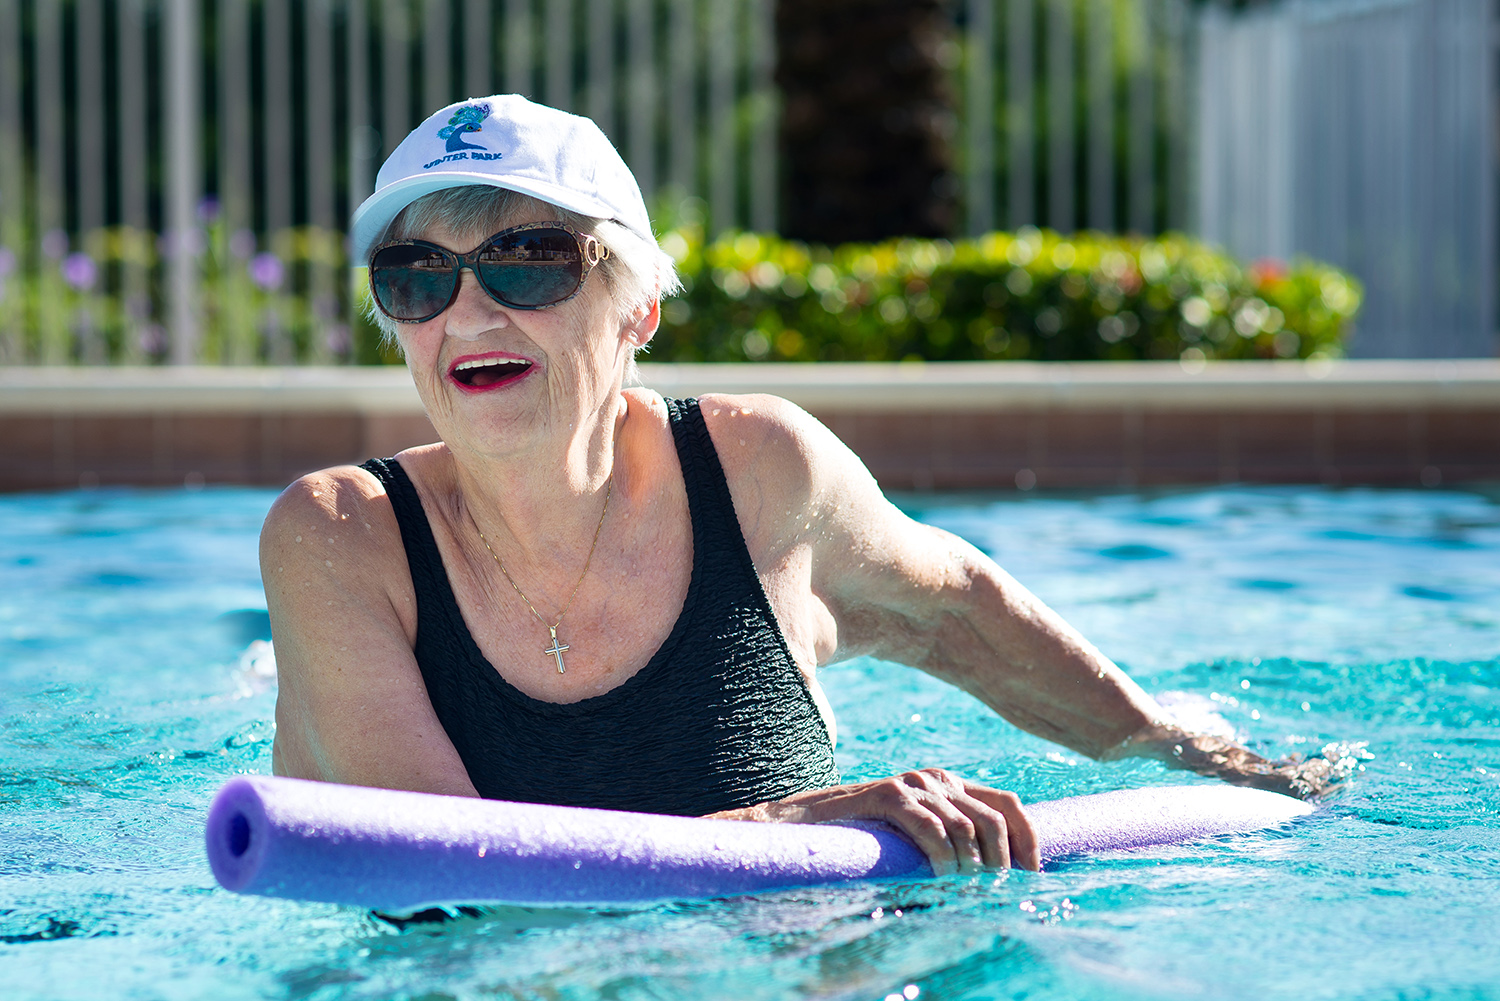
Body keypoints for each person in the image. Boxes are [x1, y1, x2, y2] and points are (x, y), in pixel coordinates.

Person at [264, 95, 1338, 878]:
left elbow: (958, 607)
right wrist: (783, 822)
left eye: (527, 260)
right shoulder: (339, 539)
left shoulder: (759, 474)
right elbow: (454, 876)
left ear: (637, 309)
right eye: (417, 275)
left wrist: (1190, 749)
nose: (468, 311)